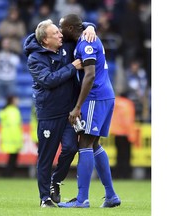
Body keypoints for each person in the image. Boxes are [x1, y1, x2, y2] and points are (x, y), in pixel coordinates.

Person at [23, 19, 96, 207]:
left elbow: (75, 24)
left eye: (59, 31)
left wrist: (90, 27)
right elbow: (48, 80)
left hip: (69, 113)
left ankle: (55, 181)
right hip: (49, 113)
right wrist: (72, 67)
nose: (61, 35)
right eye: (56, 33)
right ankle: (44, 198)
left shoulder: (67, 44)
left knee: (71, 148)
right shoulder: (35, 58)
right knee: (46, 156)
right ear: (46, 40)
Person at [57, 14, 121, 208]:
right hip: (104, 95)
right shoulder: (85, 35)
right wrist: (90, 25)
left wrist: (77, 107)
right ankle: (110, 195)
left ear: (69, 29)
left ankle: (82, 199)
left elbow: (90, 75)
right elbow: (82, 24)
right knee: (93, 145)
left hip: (95, 96)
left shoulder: (86, 43)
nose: (60, 31)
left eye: (61, 28)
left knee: (84, 142)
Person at [109, 92, 136, 179]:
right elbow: (127, 121)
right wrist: (131, 134)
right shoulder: (127, 105)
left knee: (119, 155)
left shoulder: (115, 103)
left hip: (116, 132)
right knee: (126, 155)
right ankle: (125, 174)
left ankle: (117, 174)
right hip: (125, 134)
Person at [0, 95, 23, 177]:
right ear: (12, 101)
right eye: (16, 100)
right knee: (13, 158)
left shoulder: (6, 111)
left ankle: (7, 173)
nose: (18, 101)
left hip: (8, 137)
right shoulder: (13, 111)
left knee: (12, 158)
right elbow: (14, 127)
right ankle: (8, 174)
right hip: (13, 138)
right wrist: (18, 140)